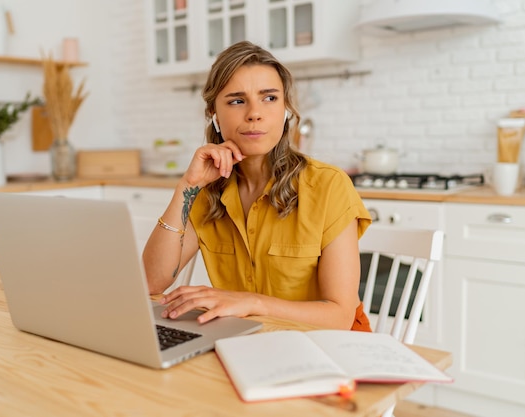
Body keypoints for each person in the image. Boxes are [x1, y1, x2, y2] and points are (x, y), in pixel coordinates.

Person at [142, 41, 372, 331]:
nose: (254, 113)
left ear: (286, 109)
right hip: (249, 341)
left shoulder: (329, 185)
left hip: (329, 346)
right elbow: (151, 282)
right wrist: (187, 187)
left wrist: (251, 302)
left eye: (269, 98)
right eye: (237, 101)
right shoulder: (206, 190)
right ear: (214, 114)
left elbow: (339, 317)